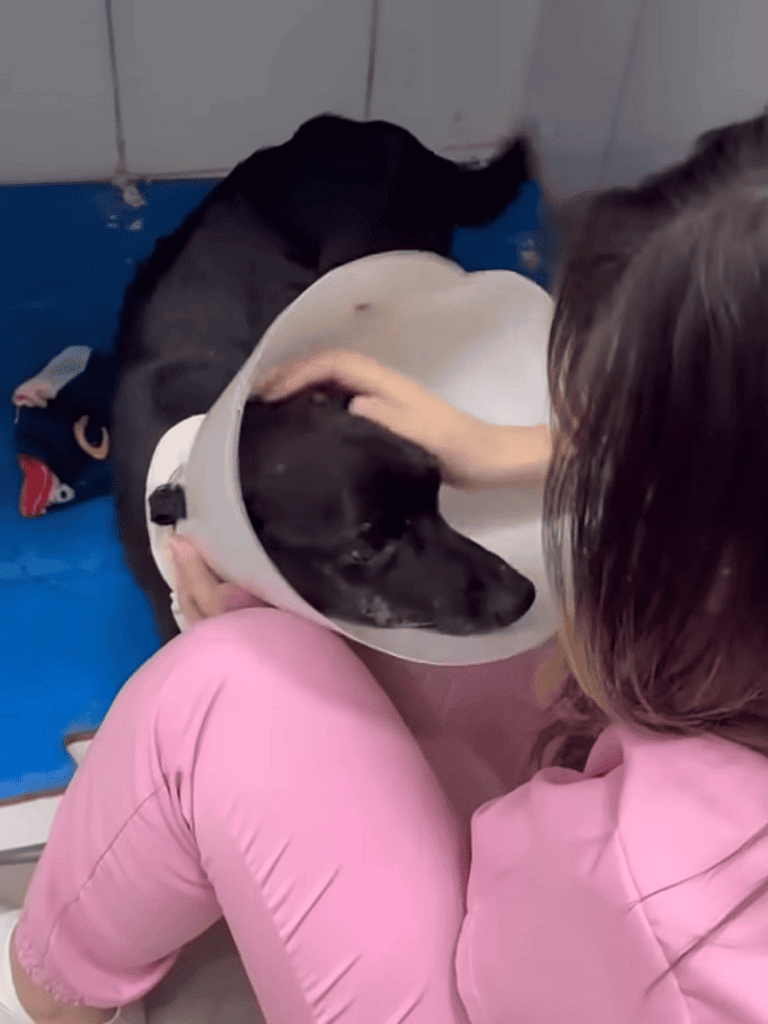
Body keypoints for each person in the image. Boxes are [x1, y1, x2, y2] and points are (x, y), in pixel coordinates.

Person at [3, 177, 768, 1024]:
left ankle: (48, 989)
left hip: (542, 966)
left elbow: (500, 955)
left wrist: (322, 695)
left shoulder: (649, 888)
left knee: (227, 687)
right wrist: (522, 451)